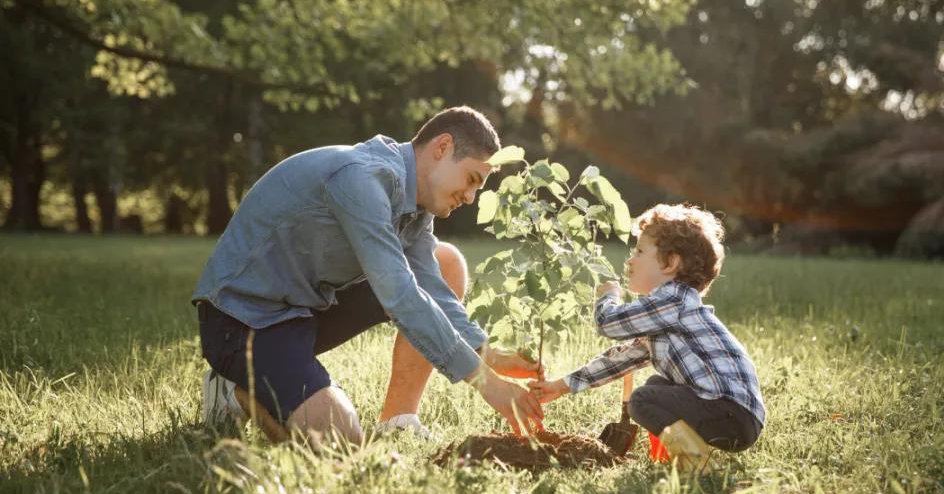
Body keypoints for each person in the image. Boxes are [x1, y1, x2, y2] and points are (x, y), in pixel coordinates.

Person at [193, 106, 545, 445]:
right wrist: (487, 383)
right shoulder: (362, 178)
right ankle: (235, 391)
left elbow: (432, 288)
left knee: (445, 262)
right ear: (442, 147)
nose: (470, 197)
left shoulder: (417, 207)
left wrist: (487, 353)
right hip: (242, 321)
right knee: (341, 441)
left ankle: (399, 421)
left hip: (302, 310)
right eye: (471, 180)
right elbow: (401, 295)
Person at [528, 204, 765, 468]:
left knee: (642, 400)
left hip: (729, 412)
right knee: (656, 385)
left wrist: (608, 296)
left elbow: (608, 324)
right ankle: (670, 458)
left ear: (671, 263)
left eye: (639, 251)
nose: (630, 260)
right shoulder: (668, 311)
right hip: (735, 414)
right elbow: (621, 359)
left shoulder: (672, 299)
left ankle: (698, 465)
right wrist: (561, 386)